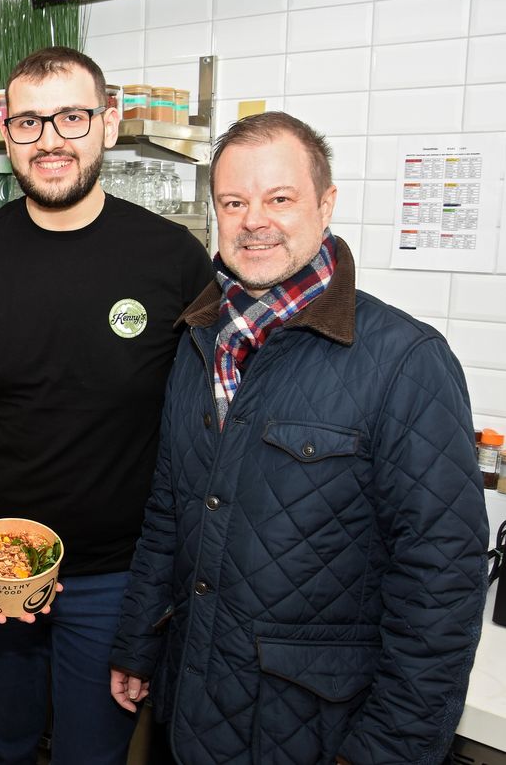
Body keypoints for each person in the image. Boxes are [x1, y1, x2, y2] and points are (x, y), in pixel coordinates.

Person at [108, 111, 488, 764]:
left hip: (314, 733)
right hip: (190, 708)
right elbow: (169, 512)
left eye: (279, 198)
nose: (255, 219)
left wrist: (386, 752)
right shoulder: (200, 341)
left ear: (326, 204)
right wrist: (139, 642)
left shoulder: (405, 360)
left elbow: (440, 585)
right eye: (234, 201)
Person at [0, 46, 213, 764]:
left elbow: (201, 430)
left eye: (72, 117)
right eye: (28, 122)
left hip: (119, 580)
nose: (50, 139)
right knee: (4, 747)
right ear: (7, 134)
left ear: (109, 124)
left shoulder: (174, 258)